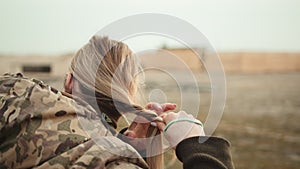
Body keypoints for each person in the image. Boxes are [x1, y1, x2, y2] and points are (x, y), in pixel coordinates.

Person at [0, 36, 234, 169]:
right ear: (129, 92)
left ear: (69, 82)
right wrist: (199, 146)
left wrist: (125, 144)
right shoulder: (118, 164)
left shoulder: (13, 94)